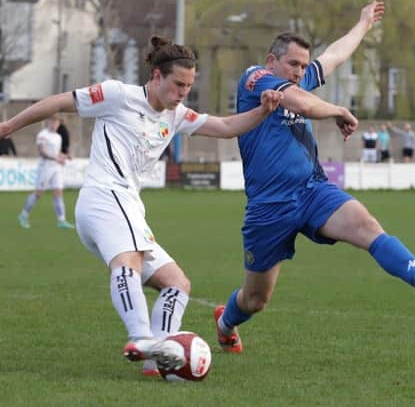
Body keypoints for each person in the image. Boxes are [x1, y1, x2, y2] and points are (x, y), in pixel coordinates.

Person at [0, 35, 283, 375]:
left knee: (177, 284)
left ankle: (156, 357)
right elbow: (59, 102)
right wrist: (8, 127)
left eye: (189, 86)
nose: (183, 93)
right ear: (157, 76)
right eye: (178, 84)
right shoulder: (119, 95)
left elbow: (224, 126)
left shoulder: (176, 115)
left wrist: (264, 110)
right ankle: (140, 337)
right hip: (104, 196)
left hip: (127, 206)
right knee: (128, 260)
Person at [213, 0, 415, 355]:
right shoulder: (255, 80)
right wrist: (339, 110)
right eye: (292, 64)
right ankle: (225, 324)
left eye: (303, 66)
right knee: (255, 299)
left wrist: (363, 24)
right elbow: (301, 104)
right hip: (269, 206)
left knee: (367, 226)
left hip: (313, 190)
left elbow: (333, 56)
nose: (300, 72)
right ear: (272, 61)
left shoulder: (299, 81)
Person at [17, 117, 75, 229]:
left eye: (56, 122)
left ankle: (61, 220)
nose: (54, 124)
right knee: (39, 193)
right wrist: (56, 159)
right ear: (48, 122)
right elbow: (42, 152)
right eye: (52, 121)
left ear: (59, 123)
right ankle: (23, 215)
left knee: (58, 192)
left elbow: (56, 153)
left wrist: (64, 156)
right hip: (45, 168)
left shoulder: (58, 137)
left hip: (56, 168)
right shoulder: (42, 135)